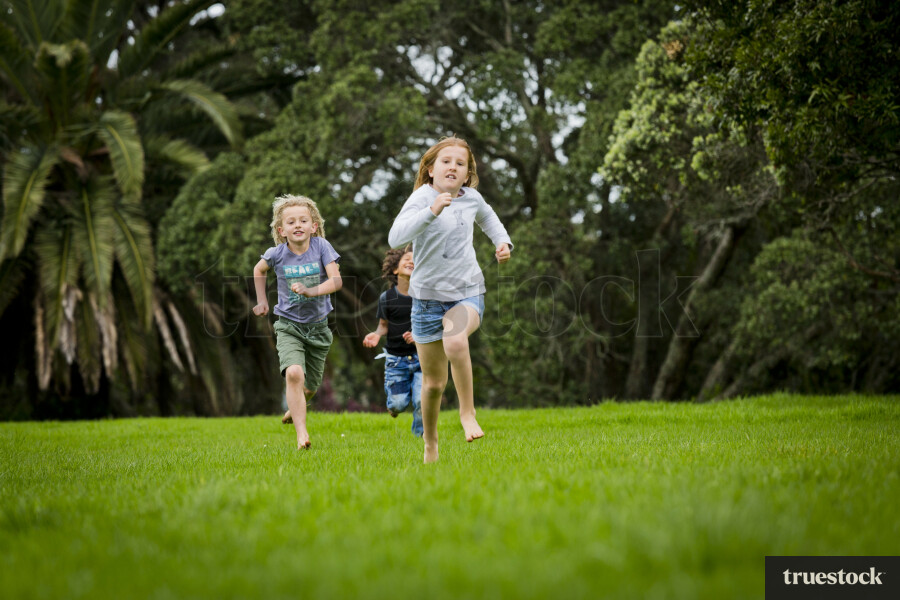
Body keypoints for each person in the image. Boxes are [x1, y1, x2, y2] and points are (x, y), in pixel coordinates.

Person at [388, 136, 512, 463]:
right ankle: (430, 444)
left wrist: (503, 243)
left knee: (455, 340)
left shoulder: (472, 198)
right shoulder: (422, 198)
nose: (453, 167)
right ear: (431, 169)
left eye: (460, 163)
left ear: (468, 174)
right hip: (426, 301)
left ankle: (467, 413)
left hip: (467, 292)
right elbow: (396, 236)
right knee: (432, 384)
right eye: (446, 161)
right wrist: (431, 210)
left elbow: (489, 220)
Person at [252, 195, 342, 450]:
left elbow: (336, 281)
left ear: (314, 226)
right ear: (282, 231)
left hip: (318, 327)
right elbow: (259, 270)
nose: (298, 225)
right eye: (291, 222)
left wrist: (310, 291)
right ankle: (302, 435)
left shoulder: (322, 247)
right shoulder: (276, 254)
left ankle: (297, 406)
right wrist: (262, 301)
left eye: (304, 220)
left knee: (310, 387)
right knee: (294, 374)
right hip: (288, 326)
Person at [363, 246, 423, 436]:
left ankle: (420, 437)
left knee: (423, 400)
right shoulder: (387, 298)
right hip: (396, 361)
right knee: (398, 404)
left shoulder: (424, 297)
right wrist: (376, 334)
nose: (410, 261)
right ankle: (393, 407)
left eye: (415, 259)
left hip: (422, 357)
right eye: (406, 259)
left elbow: (433, 326)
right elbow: (383, 325)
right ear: (395, 270)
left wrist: (418, 337)